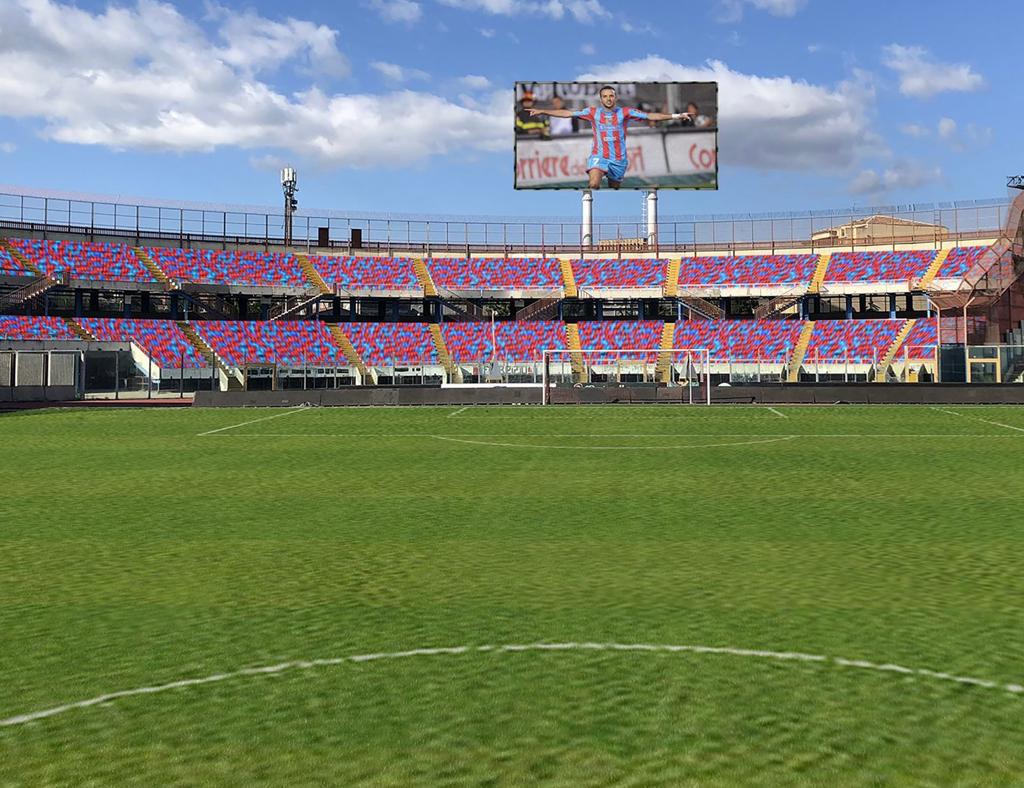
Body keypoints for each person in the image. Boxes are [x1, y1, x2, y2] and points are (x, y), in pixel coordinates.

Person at [528, 85, 690, 189]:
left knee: (614, 188)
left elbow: (651, 116)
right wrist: (543, 111)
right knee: (593, 183)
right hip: (599, 157)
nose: (608, 99)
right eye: (604, 96)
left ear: (615, 98)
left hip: (619, 160)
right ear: (601, 99)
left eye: (611, 96)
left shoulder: (625, 112)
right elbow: (567, 113)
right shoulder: (592, 112)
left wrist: (676, 116)